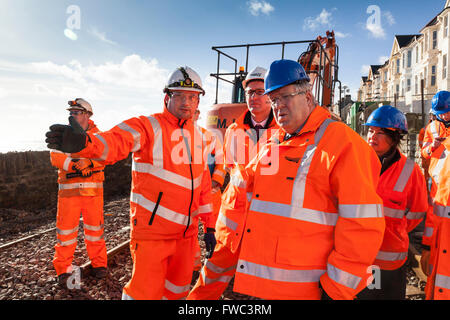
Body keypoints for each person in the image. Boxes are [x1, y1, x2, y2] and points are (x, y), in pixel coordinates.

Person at [45, 66, 216, 300]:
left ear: (198, 101)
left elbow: (204, 187)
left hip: (186, 239)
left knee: (177, 292)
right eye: (180, 96)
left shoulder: (201, 137)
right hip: (153, 236)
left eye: (192, 97)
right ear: (167, 97)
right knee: (142, 294)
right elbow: (114, 142)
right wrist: (85, 144)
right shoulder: (147, 126)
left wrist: (210, 226)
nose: (187, 102)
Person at [222, 59, 385, 300]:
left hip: (306, 290)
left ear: (308, 97)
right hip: (263, 286)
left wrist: (337, 290)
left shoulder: (343, 143)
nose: (278, 106)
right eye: (274, 99)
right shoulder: (273, 142)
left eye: (285, 97)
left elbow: (362, 225)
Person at [187, 66, 279, 300]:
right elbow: (230, 170)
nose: (253, 97)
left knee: (268, 284)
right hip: (234, 218)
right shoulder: (233, 131)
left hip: (269, 219)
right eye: (249, 92)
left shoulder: (285, 132)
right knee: (212, 275)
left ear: (271, 95)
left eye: (259, 92)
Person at [356, 105, 428, 300]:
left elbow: (418, 210)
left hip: (391, 260)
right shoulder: (356, 162)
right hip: (360, 256)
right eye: (370, 131)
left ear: (395, 136)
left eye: (380, 132)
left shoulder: (410, 170)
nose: (372, 136)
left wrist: (398, 229)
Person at [49, 98, 108, 287]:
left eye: (76, 112)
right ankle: (63, 270)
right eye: (71, 112)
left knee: (95, 232)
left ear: (88, 115)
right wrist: (75, 165)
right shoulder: (64, 133)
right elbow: (55, 156)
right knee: (66, 234)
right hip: (69, 195)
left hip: (92, 194)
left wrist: (89, 163)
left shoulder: (99, 136)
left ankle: (99, 265)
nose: (72, 115)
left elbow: (106, 155)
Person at [420, 90, 450, 299]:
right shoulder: (431, 128)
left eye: (447, 113)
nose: (445, 116)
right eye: (442, 113)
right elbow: (423, 152)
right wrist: (432, 147)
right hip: (438, 186)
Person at [192, 108, 226, 270]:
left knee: (214, 226)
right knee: (189, 230)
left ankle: (215, 256)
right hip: (189, 192)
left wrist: (216, 181)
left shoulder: (209, 136)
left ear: (198, 115)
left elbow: (221, 159)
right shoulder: (176, 136)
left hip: (211, 191)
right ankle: (193, 265)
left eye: (195, 112)